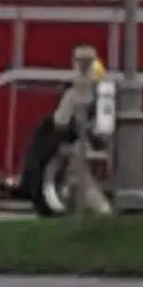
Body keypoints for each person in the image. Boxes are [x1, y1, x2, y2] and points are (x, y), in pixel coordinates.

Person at [52, 46, 112, 218]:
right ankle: (74, 207)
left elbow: (60, 121)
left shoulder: (72, 94)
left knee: (79, 175)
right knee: (75, 177)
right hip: (93, 143)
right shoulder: (101, 95)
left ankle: (100, 208)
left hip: (79, 144)